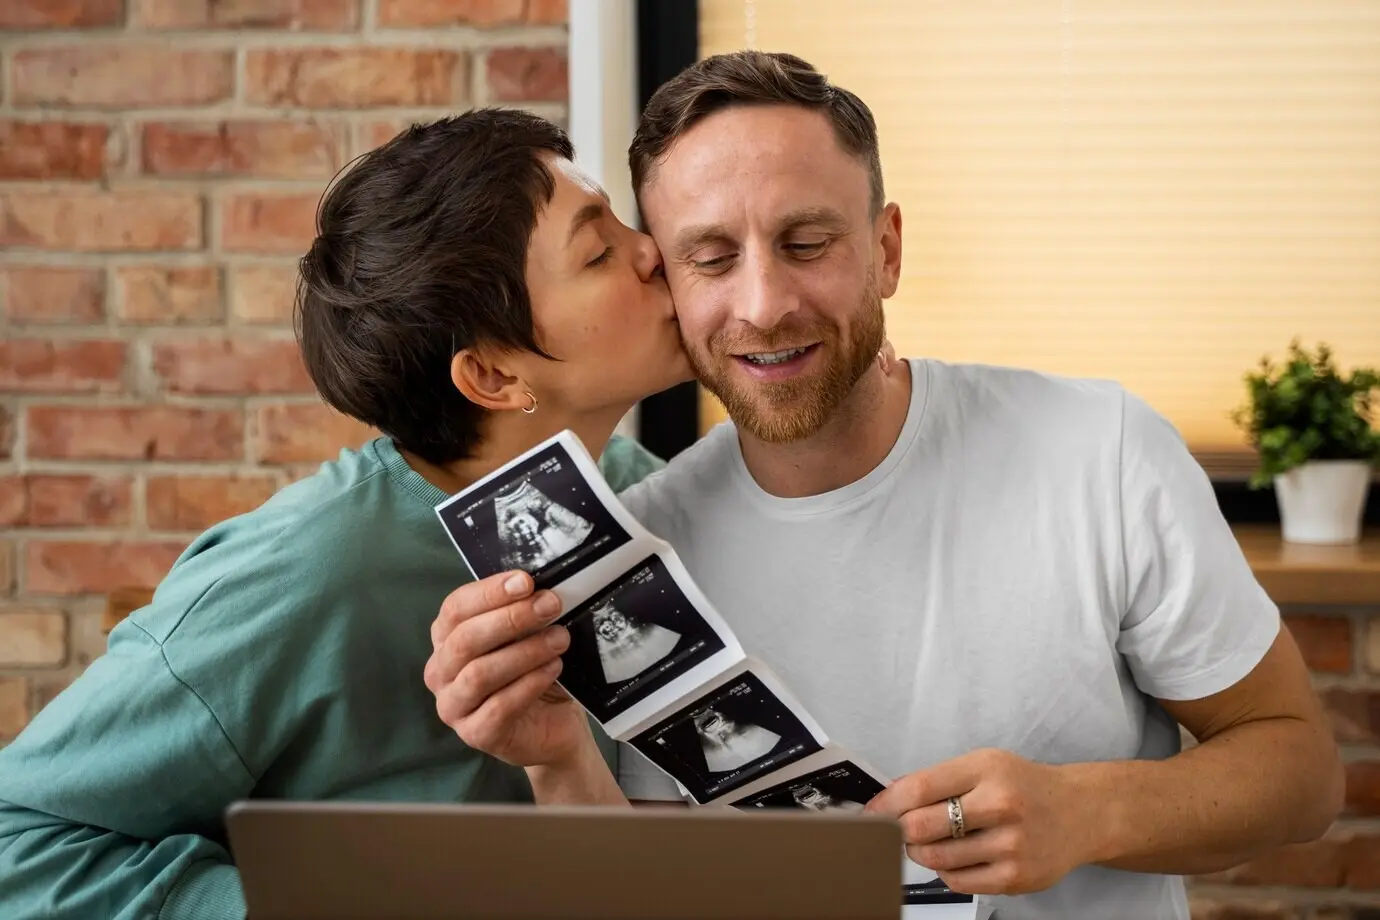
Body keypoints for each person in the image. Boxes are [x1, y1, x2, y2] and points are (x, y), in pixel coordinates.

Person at [424, 51, 1345, 919]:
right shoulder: (638, 559)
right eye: (710, 258)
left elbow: (1303, 774)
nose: (764, 303)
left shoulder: (1098, 452)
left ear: (887, 248)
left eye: (808, 241)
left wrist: (1089, 810)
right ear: (667, 279)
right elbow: (659, 899)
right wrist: (557, 763)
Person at [0, 109, 692, 919]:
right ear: (494, 377)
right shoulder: (302, 575)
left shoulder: (640, 492)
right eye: (599, 251)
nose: (653, 250)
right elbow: (19, 838)